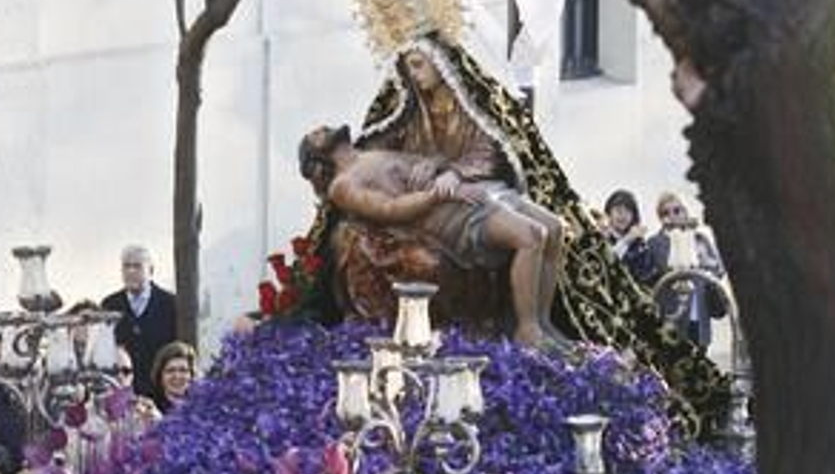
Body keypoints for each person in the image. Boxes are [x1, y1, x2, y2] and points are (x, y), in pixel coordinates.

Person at [300, 124, 564, 347]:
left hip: (460, 189)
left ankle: (543, 321)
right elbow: (389, 209)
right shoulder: (342, 185)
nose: (322, 128)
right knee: (531, 235)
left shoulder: (369, 153)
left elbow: (422, 162)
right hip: (439, 213)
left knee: (554, 228)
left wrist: (437, 167)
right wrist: (437, 193)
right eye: (316, 135)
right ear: (317, 160)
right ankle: (527, 329)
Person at [625, 191, 731, 346]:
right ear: (660, 218)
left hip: (699, 313)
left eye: (676, 210)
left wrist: (704, 262)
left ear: (684, 211)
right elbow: (648, 278)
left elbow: (718, 269)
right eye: (665, 213)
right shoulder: (654, 243)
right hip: (671, 318)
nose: (672, 215)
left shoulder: (699, 239)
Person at [101, 245, 177, 401]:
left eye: (137, 266)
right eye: (126, 266)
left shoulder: (170, 304)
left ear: (151, 270)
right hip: (122, 394)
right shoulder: (109, 305)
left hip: (161, 393)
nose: (131, 271)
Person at [149, 341, 199, 414]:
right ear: (160, 375)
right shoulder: (149, 408)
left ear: (191, 375)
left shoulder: (201, 408)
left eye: (183, 370)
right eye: (170, 371)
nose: (177, 376)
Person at [603, 189, 647, 262]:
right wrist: (626, 240)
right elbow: (607, 260)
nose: (623, 216)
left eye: (628, 211)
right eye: (618, 210)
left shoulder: (638, 245)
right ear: (609, 213)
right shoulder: (601, 236)